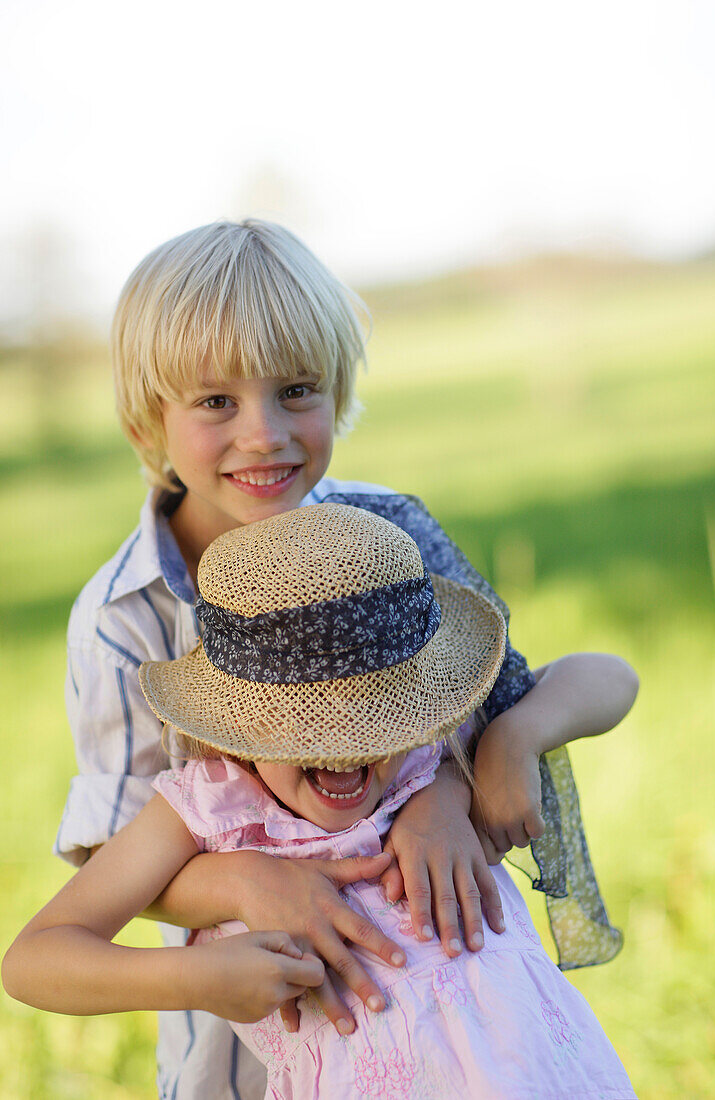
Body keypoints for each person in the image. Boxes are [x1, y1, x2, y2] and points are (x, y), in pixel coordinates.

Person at [49, 219, 636, 1098]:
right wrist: (250, 880)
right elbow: (113, 864)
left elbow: (512, 690)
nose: (264, 435)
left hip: (474, 1027)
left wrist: (470, 774)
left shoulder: (384, 539)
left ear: (339, 389)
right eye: (216, 402)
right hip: (263, 1029)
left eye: (296, 390)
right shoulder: (124, 618)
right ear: (149, 419)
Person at [3, 505, 637, 1099]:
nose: (348, 748)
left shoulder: (430, 755)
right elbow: (34, 959)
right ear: (238, 720)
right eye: (305, 720)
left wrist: (510, 738)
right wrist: (197, 979)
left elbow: (612, 676)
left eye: (376, 713)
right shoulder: (210, 811)